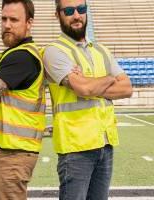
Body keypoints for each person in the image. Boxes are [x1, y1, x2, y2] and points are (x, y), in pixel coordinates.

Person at [43, 0, 133, 199]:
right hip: (75, 149)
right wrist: (110, 78)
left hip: (105, 144)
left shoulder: (100, 50)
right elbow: (83, 88)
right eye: (69, 10)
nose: (76, 15)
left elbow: (127, 88)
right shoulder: (54, 51)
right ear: (57, 15)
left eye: (81, 9)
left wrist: (91, 83)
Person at [0, 0, 45, 199]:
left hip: (11, 153)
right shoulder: (10, 55)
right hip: (6, 151)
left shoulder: (23, 56)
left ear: (29, 23)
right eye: (4, 19)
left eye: (14, 19)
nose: (7, 25)